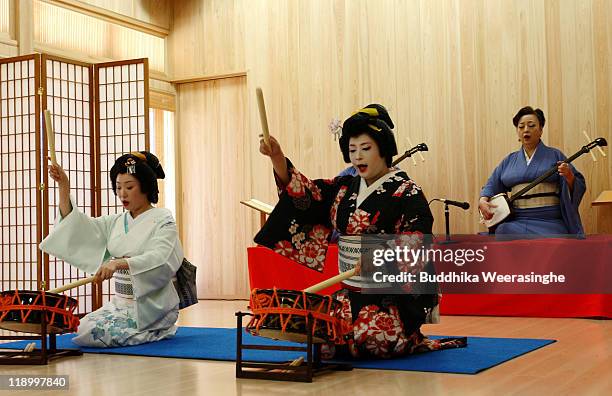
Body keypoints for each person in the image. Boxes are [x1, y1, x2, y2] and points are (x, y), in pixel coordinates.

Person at [255, 105, 466, 359]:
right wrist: (277, 157)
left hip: (388, 299)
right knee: (321, 330)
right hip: (349, 293)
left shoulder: (407, 191)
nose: (358, 157)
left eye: (366, 149)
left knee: (368, 337)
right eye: (353, 150)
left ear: (384, 149)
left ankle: (403, 336)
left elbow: (416, 240)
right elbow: (307, 196)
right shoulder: (344, 187)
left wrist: (380, 258)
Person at [40, 151, 184, 347]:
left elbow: (161, 258)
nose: (122, 193)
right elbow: (78, 227)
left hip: (151, 304)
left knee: (98, 334)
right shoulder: (116, 221)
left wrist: (119, 263)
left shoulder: (163, 220)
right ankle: (148, 330)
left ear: (146, 187)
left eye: (129, 187)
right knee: (83, 329)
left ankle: (161, 327)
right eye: (118, 187)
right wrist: (63, 186)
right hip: (121, 302)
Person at [479, 106, 586, 236]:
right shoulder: (509, 160)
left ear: (540, 130)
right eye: (521, 126)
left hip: (550, 221)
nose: (526, 130)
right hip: (518, 220)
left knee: (558, 237)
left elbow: (578, 184)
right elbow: (492, 184)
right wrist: (483, 200)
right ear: (517, 132)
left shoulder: (555, 155)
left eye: (531, 125)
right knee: (503, 231)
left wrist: (569, 176)